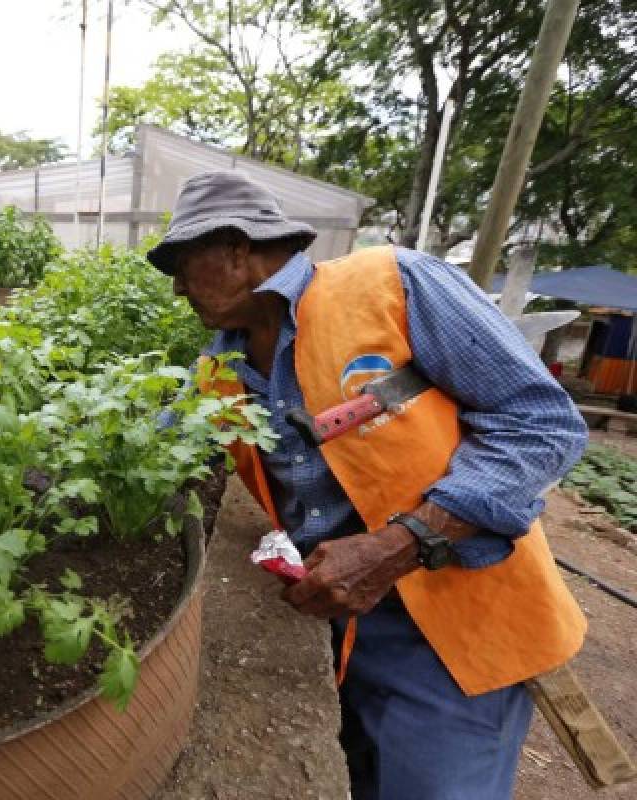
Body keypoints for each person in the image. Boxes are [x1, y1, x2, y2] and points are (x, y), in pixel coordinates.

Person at [149, 170, 588, 800]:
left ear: (237, 249)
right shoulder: (224, 364)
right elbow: (145, 449)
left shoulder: (394, 283)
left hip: (452, 617)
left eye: (184, 265)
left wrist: (400, 543)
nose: (177, 287)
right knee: (358, 775)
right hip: (339, 616)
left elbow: (542, 426)